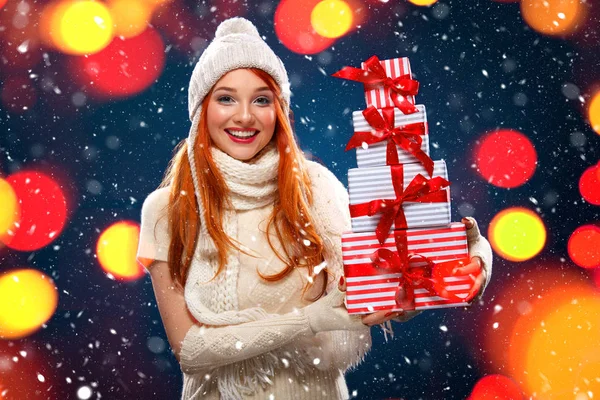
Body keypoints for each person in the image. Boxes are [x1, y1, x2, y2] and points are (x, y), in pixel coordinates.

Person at [136, 17, 493, 400]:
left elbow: (385, 288)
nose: (244, 116)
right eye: (225, 98)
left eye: (261, 99)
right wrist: (310, 320)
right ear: (201, 111)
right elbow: (191, 351)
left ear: (279, 111)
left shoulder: (316, 188)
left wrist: (469, 255)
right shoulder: (168, 208)